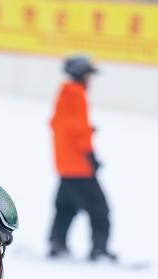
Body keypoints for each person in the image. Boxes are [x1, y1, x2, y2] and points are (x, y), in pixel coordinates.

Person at [48, 55, 116, 261]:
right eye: (88, 74)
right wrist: (90, 156)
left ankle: (57, 243)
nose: (90, 79)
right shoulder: (77, 96)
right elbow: (78, 131)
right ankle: (99, 250)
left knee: (66, 206)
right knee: (100, 209)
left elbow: (61, 127)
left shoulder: (64, 95)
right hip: (79, 166)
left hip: (65, 164)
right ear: (81, 74)